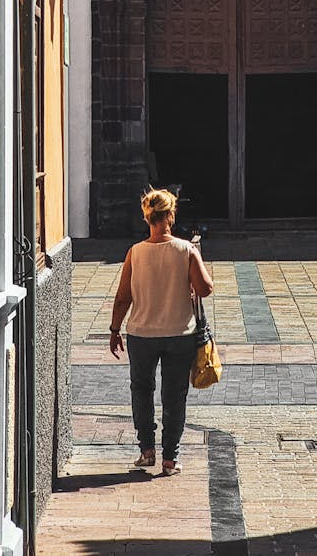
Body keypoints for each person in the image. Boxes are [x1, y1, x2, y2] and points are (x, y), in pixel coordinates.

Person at [109, 187, 214, 476]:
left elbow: (122, 297)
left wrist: (115, 329)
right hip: (179, 333)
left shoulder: (135, 252)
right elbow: (205, 288)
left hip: (141, 334)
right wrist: (196, 260)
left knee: (141, 391)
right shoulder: (186, 250)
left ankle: (146, 450)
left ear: (147, 218)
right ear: (171, 216)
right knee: (174, 396)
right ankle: (170, 458)